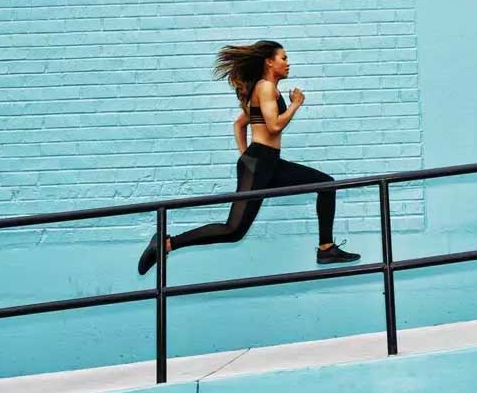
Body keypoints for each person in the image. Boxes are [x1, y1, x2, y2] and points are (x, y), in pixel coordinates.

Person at [137, 40, 360, 275]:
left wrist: (246, 155)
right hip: (260, 162)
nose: (288, 63)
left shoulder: (265, 90)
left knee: (326, 185)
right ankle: (166, 244)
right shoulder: (265, 88)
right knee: (233, 230)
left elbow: (240, 124)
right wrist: (295, 105)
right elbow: (274, 126)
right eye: (283, 58)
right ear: (269, 62)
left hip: (267, 162)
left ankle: (326, 248)